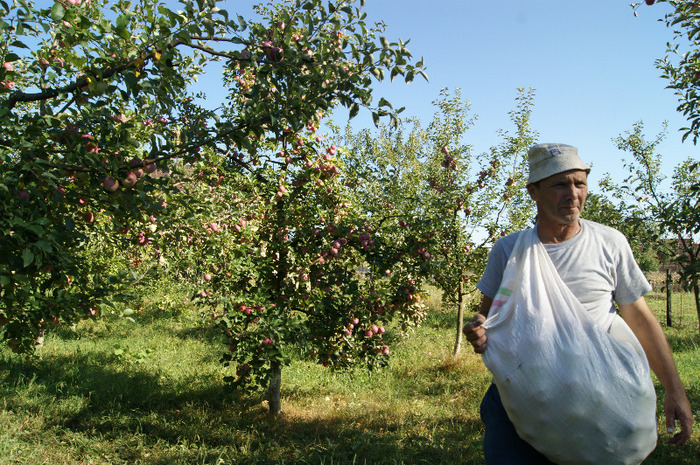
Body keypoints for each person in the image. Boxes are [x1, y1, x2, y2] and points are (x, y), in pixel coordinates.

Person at [464, 143, 693, 464]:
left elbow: (640, 318)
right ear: (534, 191)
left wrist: (674, 389)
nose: (572, 193)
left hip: (597, 403)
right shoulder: (509, 251)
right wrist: (476, 331)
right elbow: (488, 318)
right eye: (559, 184)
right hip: (521, 402)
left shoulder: (609, 243)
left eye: (579, 182)